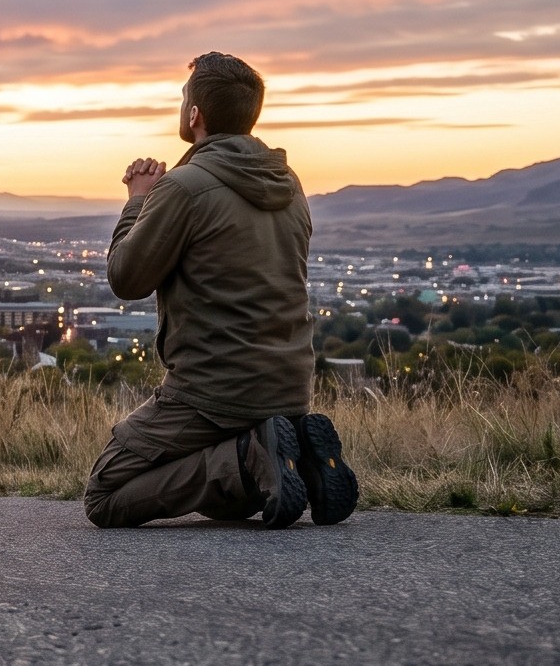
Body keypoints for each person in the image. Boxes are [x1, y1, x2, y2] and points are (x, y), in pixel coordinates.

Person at [82, 52, 357, 529]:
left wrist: (139, 202)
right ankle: (296, 459)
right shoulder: (288, 184)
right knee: (217, 496)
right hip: (290, 385)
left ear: (195, 115)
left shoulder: (184, 188)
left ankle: (252, 455)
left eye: (183, 99)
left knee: (106, 496)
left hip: (213, 390)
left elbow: (126, 279)